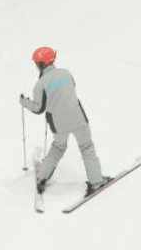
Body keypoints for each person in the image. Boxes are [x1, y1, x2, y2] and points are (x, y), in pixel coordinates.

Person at [19, 47, 110, 196]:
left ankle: (41, 178)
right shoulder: (67, 73)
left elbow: (38, 108)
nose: (35, 66)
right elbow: (70, 89)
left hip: (58, 123)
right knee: (87, 147)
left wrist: (24, 102)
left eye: (36, 63)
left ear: (41, 64)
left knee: (58, 147)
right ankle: (96, 182)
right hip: (79, 118)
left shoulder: (40, 84)